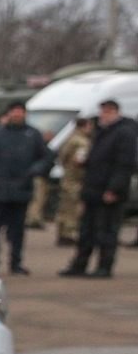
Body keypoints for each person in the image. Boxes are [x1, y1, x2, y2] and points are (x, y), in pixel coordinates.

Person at [61, 99, 137, 278]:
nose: (103, 115)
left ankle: (104, 266)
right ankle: (79, 265)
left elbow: (124, 165)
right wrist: (85, 163)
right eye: (102, 111)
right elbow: (98, 158)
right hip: (92, 190)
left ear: (115, 112)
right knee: (86, 230)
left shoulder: (124, 133)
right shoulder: (102, 132)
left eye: (106, 112)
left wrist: (113, 189)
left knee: (107, 230)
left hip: (109, 192)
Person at [0, 101, 53, 275]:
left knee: (18, 229)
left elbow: (46, 158)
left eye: (20, 112)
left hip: (22, 189)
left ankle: (16, 262)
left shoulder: (32, 134)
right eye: (14, 112)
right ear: (9, 114)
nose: (17, 115)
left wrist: (35, 170)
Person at [54, 115, 95, 247]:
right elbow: (80, 160)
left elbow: (62, 157)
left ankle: (61, 232)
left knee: (64, 207)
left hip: (67, 177)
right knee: (73, 208)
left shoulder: (69, 138)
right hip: (76, 179)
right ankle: (68, 234)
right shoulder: (82, 142)